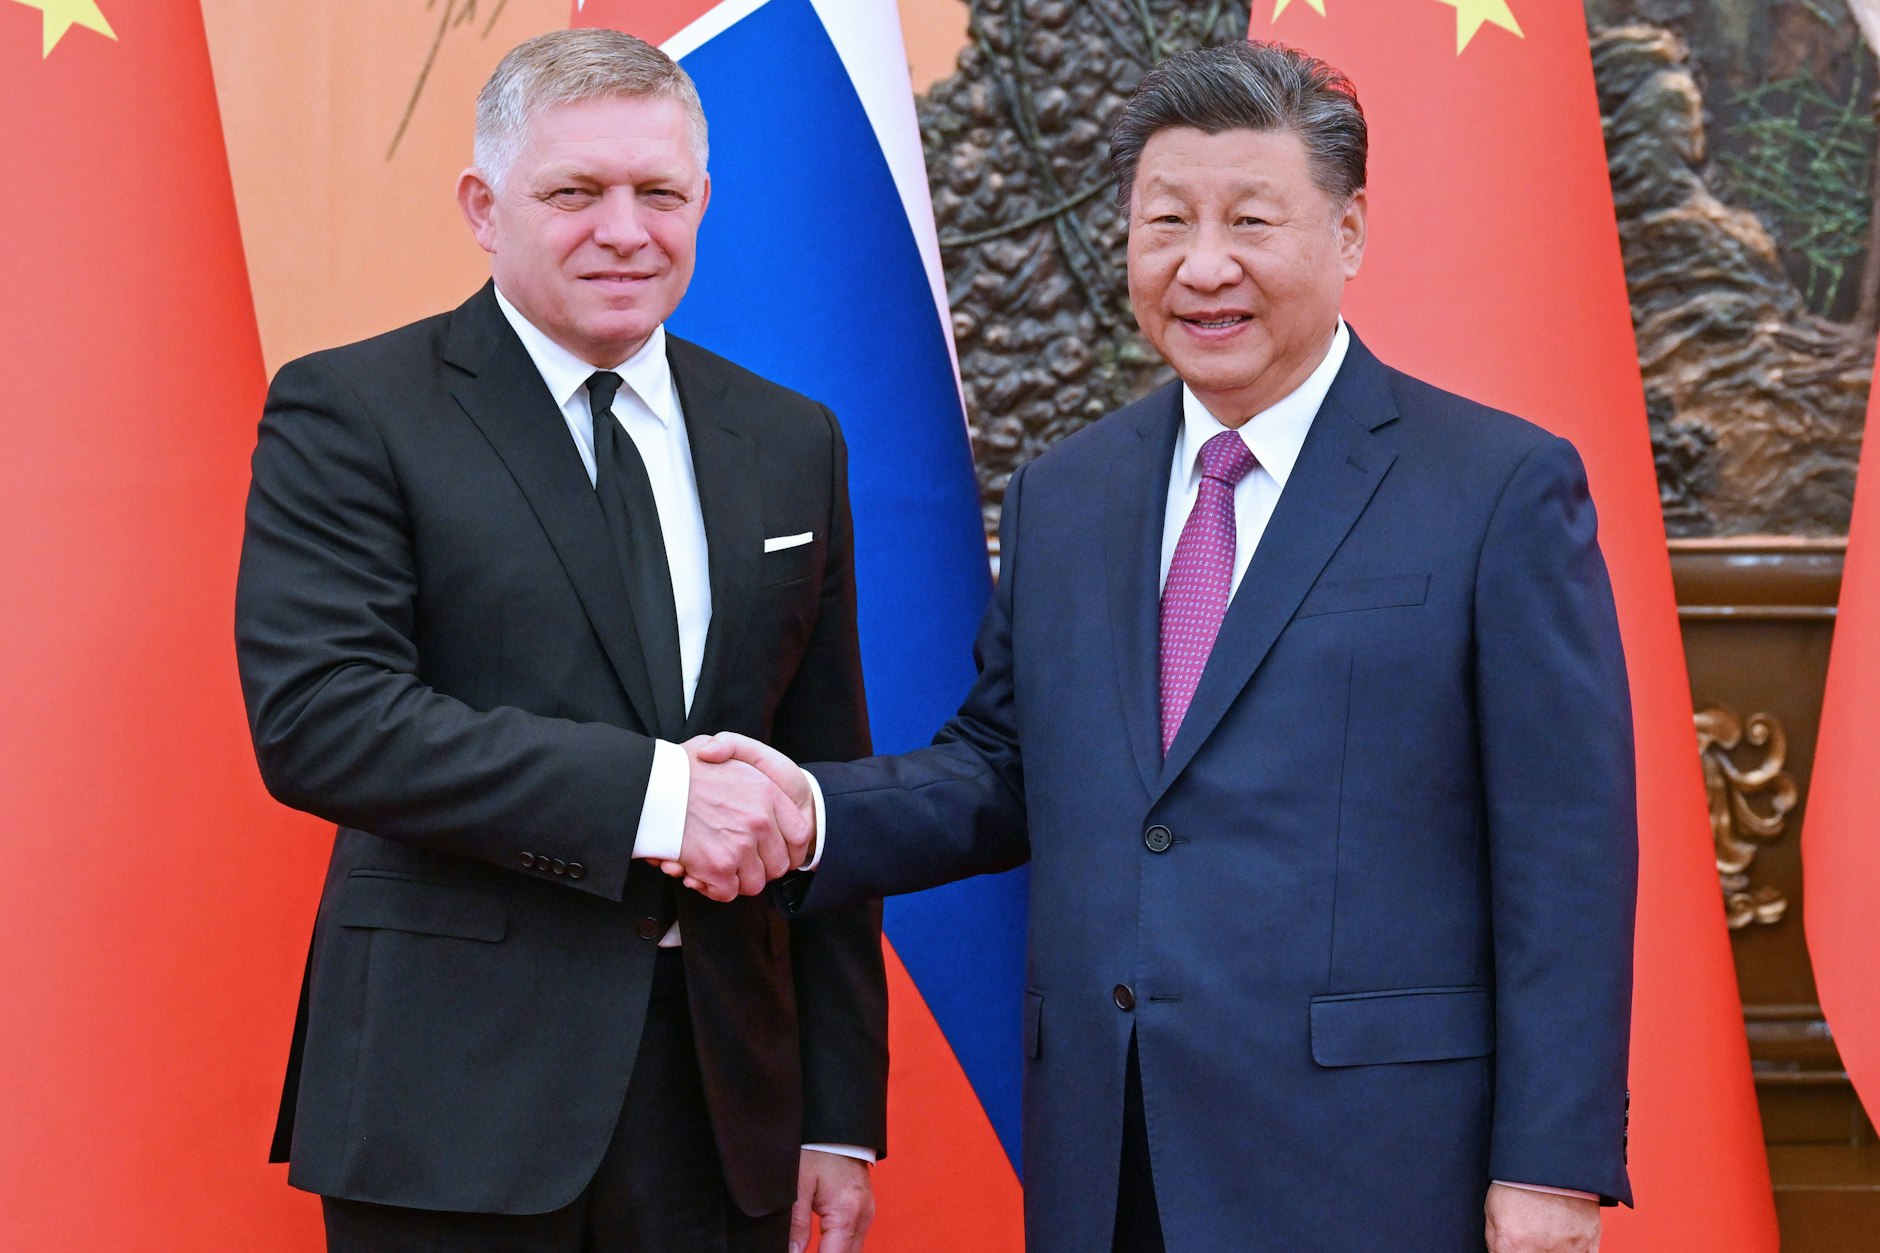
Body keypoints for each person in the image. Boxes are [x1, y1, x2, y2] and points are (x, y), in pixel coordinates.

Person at [692, 40, 1635, 1253]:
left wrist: (1550, 1165)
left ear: (1346, 234)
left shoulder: (1495, 485)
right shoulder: (1064, 495)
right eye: (1164, 221)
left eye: (1251, 220)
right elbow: (1002, 769)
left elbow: (1565, 850)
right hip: (1114, 1148)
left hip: (1383, 1161)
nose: (1202, 266)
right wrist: (808, 810)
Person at [235, 29, 884, 1252]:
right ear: (484, 206)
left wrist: (838, 1115)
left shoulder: (792, 439)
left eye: (660, 193)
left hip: (727, 1110)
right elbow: (322, 718)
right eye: (574, 193)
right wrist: (656, 796)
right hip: (451, 1110)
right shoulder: (352, 410)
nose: (625, 231)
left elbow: (820, 784)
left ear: (704, 201)